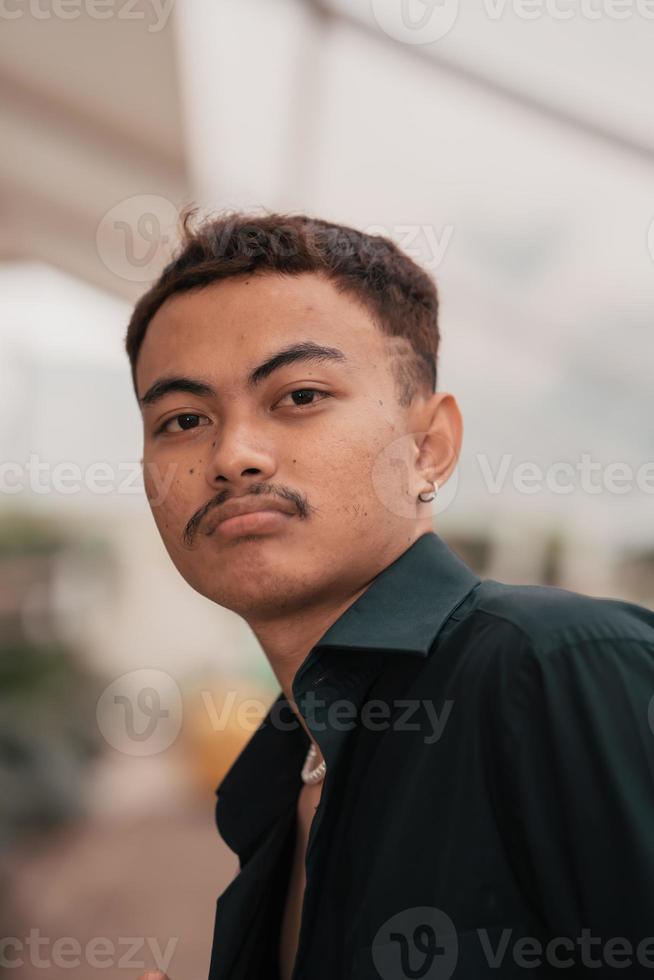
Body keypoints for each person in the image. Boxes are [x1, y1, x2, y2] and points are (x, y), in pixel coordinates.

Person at [129, 211, 654, 979]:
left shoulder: (558, 669)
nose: (233, 455)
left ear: (429, 448)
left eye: (300, 395)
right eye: (182, 419)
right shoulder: (284, 768)